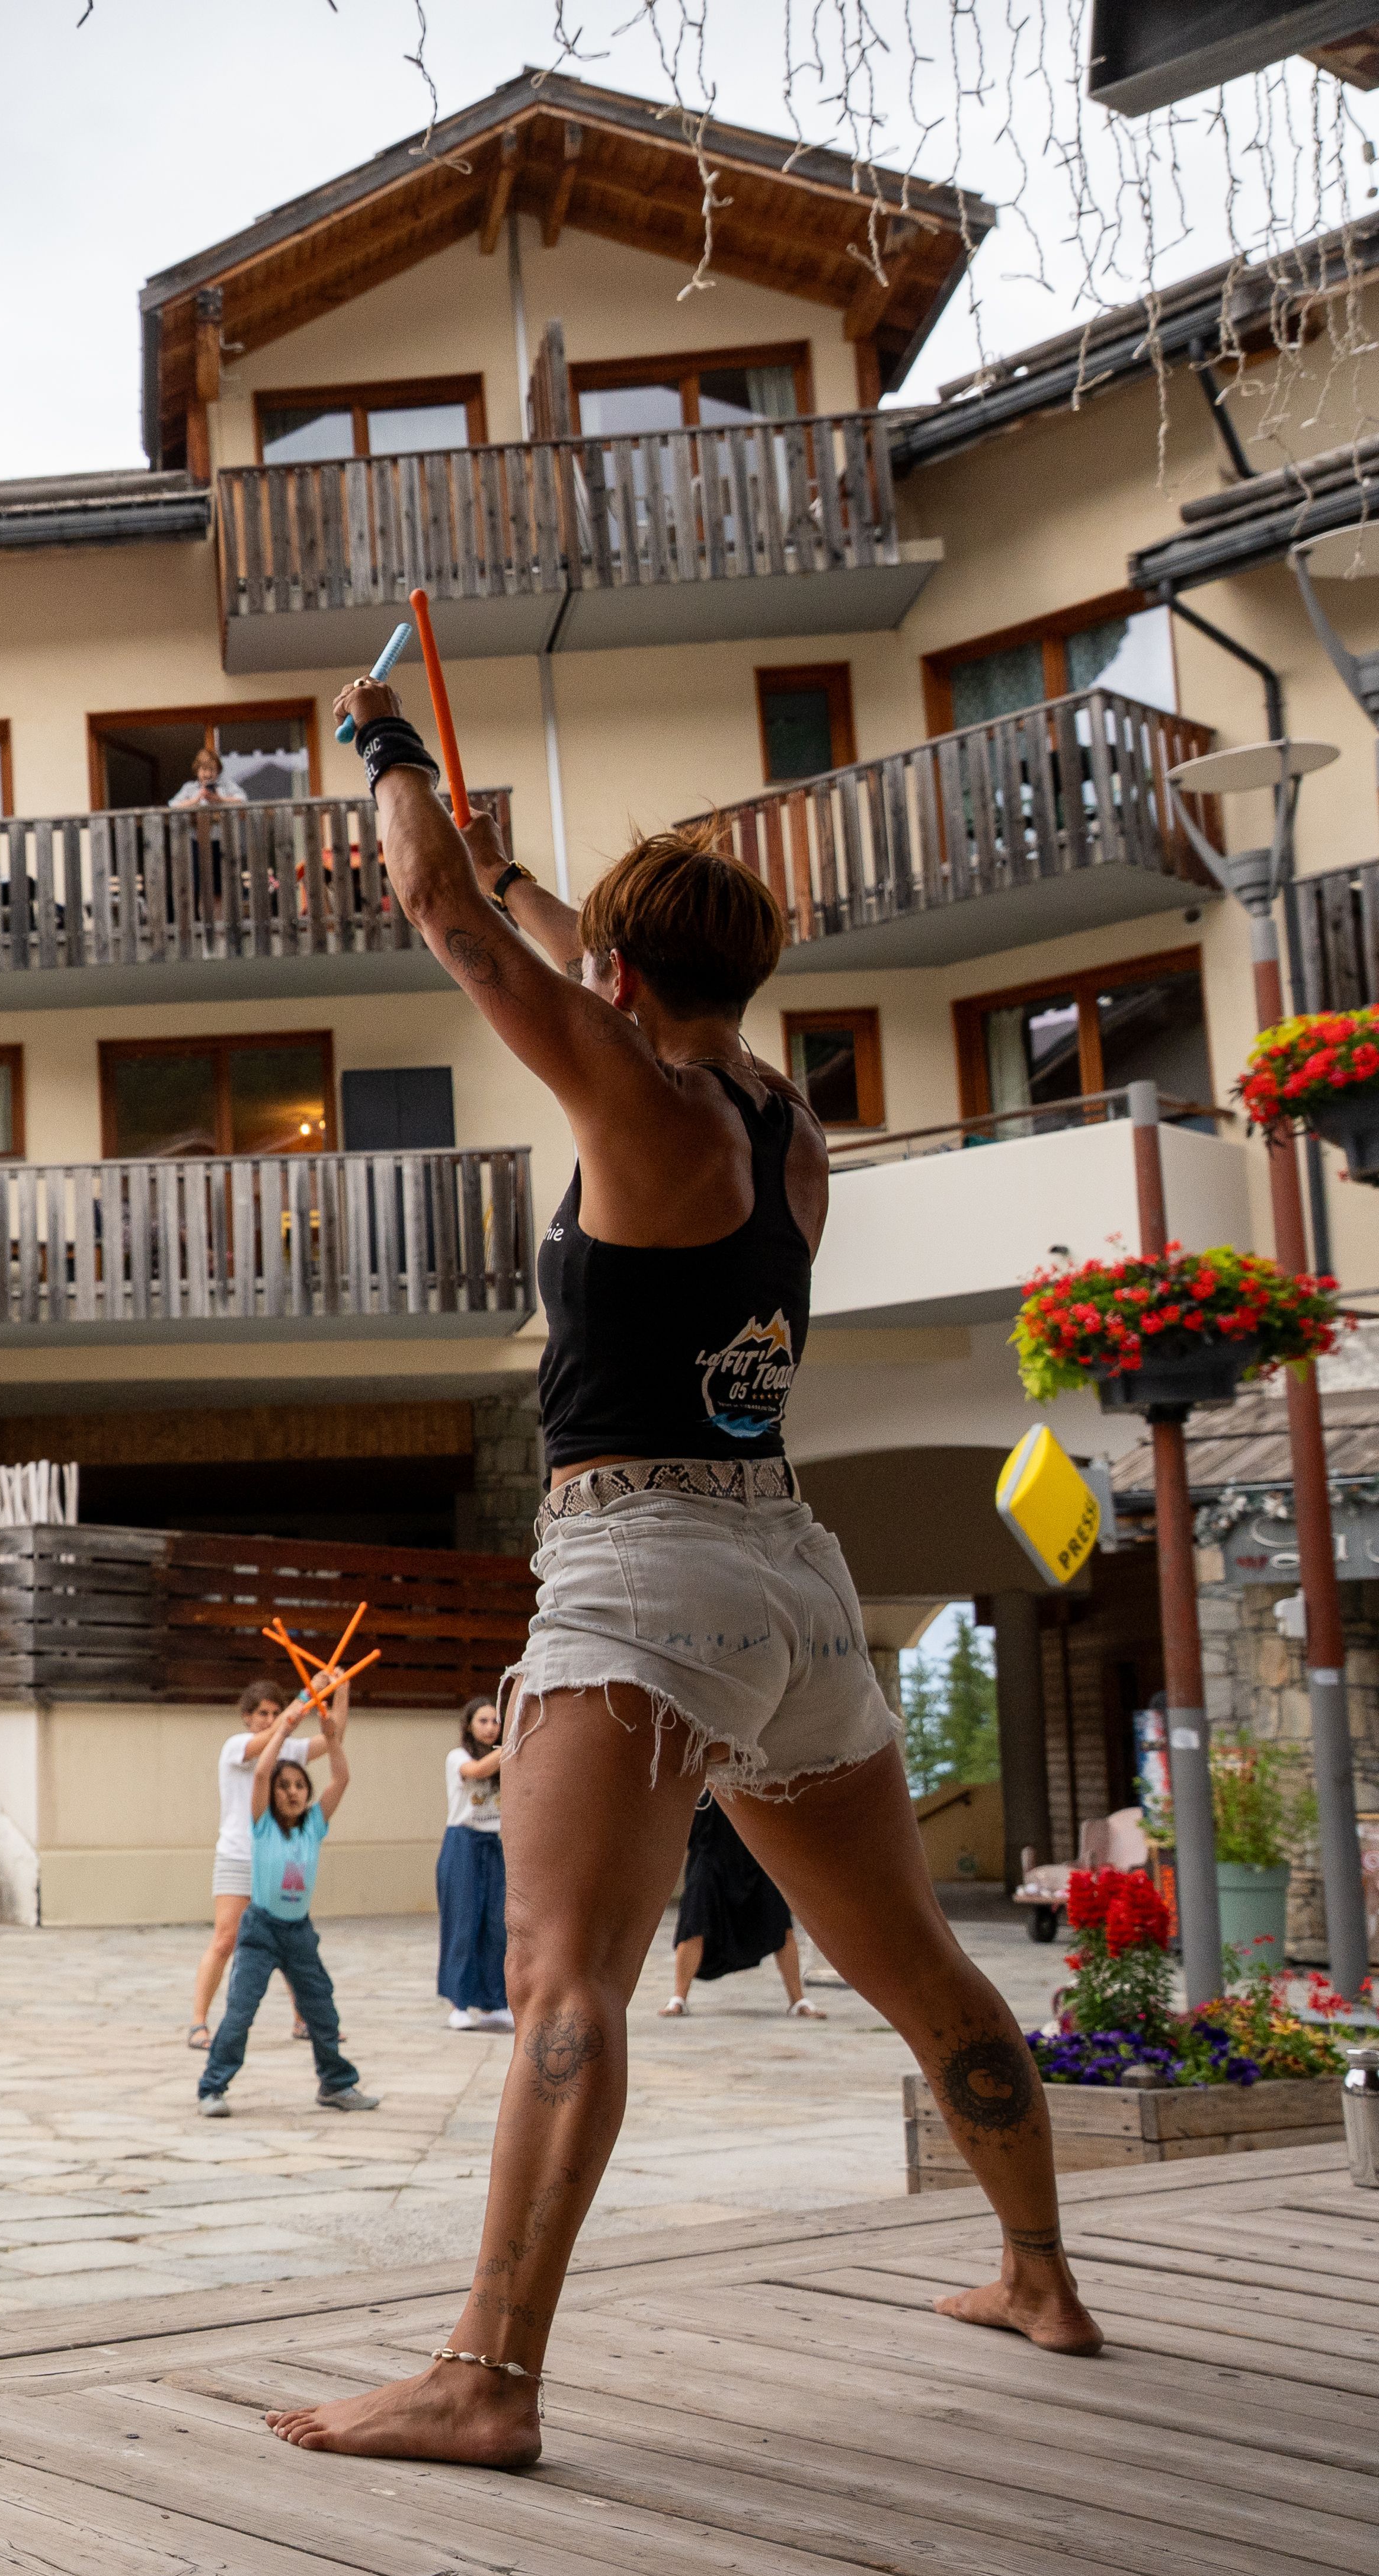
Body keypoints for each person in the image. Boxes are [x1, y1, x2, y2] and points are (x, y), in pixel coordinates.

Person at [268, 681, 1096, 2472]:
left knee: (563, 1983)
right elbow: (551, 945)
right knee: (925, 1972)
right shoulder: (776, 1123)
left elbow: (443, 925)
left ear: (621, 990)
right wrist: (540, 889)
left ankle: (485, 2375)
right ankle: (1036, 2272)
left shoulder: (635, 1115)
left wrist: (382, 747)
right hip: (789, 1584)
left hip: (635, 1578)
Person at [197, 1681, 375, 2118]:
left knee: (323, 2011)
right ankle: (212, 2087)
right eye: (285, 1787)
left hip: (298, 1932)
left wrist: (334, 1723)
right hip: (260, 1930)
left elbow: (342, 1776)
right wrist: (289, 1722)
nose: (292, 1791)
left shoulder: (314, 1824)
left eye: (299, 1785)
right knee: (240, 2013)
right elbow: (262, 1773)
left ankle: (336, 2084)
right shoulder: (261, 1827)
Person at [188, 1679, 316, 2049]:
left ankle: (303, 2019)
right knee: (226, 1939)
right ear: (247, 1717)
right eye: (263, 1713)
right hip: (237, 1854)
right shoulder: (236, 1747)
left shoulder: (289, 1748)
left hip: (278, 1858)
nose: (271, 1719)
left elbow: (333, 1739)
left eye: (276, 1712)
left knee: (291, 1938)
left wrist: (337, 1691)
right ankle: (198, 2022)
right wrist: (303, 1700)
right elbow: (265, 1744)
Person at [665, 1794, 824, 2018]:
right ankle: (678, 1999)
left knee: (781, 1926)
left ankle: (798, 2001)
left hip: (757, 1853)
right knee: (694, 1924)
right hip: (710, 1850)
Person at [439, 1699, 513, 2032]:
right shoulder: (458, 1756)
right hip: (464, 1843)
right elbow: (477, 1772)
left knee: (498, 1927)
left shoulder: (510, 1760)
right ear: (469, 1725)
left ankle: (496, 2002)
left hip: (497, 1845)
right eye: (482, 1720)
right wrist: (516, 1739)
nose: (490, 1727)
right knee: (463, 1923)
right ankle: (459, 2003)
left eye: (497, 1721)